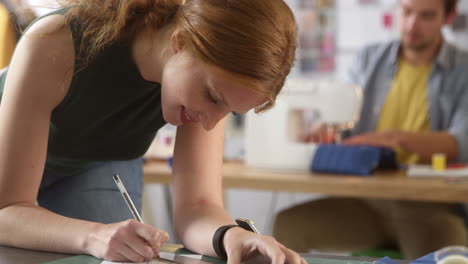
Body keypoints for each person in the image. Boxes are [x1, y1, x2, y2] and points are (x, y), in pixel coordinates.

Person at [0, 0, 305, 263]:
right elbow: (7, 211)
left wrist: (230, 237)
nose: (211, 123)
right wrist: (94, 235)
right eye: (213, 98)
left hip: (92, 161)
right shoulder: (54, 43)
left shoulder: (212, 85)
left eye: (228, 110)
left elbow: (199, 206)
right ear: (180, 42)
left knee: (119, 252)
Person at [274, 0, 468, 259]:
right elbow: (342, 120)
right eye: (407, 11)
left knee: (451, 254)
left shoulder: (463, 69)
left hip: (429, 205)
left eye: (426, 16)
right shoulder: (368, 59)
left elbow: (460, 141)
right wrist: (327, 128)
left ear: (448, 17)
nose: (412, 24)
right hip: (366, 200)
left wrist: (393, 138)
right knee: (288, 226)